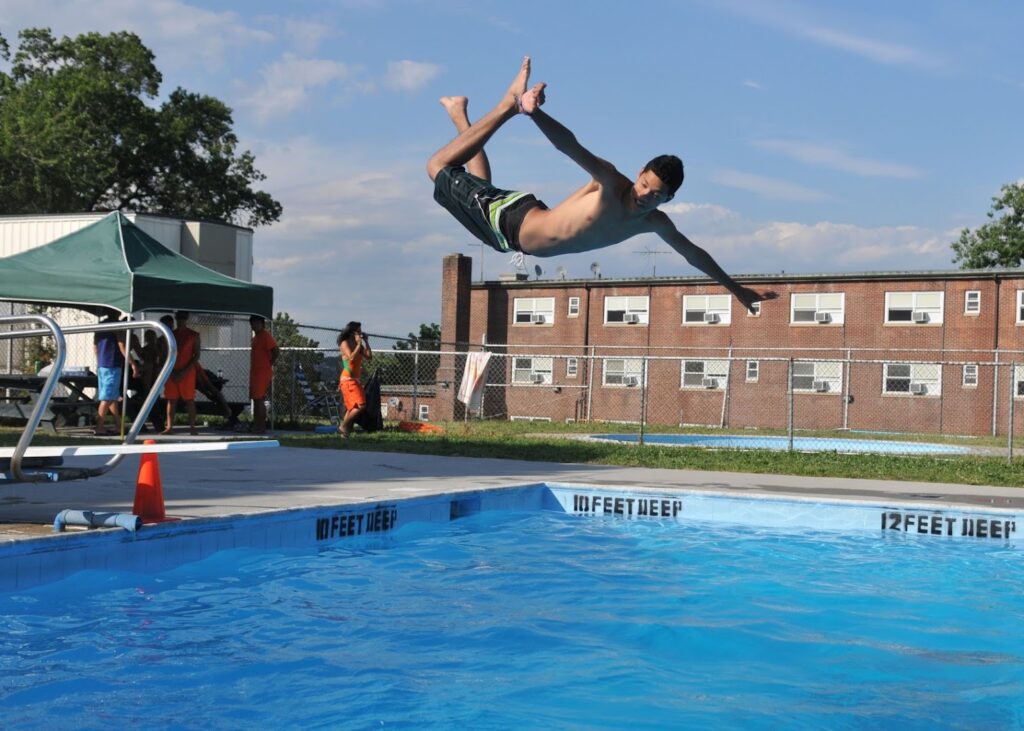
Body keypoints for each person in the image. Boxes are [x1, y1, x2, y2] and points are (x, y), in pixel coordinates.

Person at [427, 57, 772, 312]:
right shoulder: (611, 182)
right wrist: (534, 114)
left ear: (668, 199)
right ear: (638, 174)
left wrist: (736, 291)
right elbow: (569, 145)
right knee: (437, 166)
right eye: (643, 184)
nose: (644, 196)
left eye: (656, 195)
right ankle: (507, 106)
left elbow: (694, 254)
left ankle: (460, 114)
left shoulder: (654, 222)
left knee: (478, 184)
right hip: (512, 222)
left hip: (514, 233)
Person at [93, 309, 137, 436]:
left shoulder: (100, 326)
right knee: (107, 398)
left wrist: (100, 360)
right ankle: (99, 427)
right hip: (112, 363)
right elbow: (122, 346)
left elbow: (95, 346)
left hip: (102, 364)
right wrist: (133, 364)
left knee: (112, 396)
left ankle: (118, 425)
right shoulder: (117, 325)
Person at [163, 310, 200, 435]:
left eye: (183, 318)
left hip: (187, 373)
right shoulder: (170, 335)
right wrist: (171, 371)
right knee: (171, 400)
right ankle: (169, 427)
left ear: (187, 319)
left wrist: (184, 371)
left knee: (189, 400)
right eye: (179, 318)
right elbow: (165, 354)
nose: (181, 320)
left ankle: (192, 427)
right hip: (172, 371)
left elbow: (196, 355)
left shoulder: (194, 335)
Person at [337, 321, 372, 439]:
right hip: (347, 379)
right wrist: (358, 344)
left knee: (352, 408)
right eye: (358, 331)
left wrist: (366, 342)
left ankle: (344, 434)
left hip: (355, 379)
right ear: (352, 332)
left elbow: (369, 357)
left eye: (361, 331)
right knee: (360, 406)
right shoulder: (344, 343)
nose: (360, 333)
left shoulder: (359, 345)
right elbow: (351, 358)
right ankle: (343, 426)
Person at [249, 315, 279, 434]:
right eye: (252, 323)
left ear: (262, 324)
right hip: (255, 371)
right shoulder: (256, 337)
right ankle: (257, 425)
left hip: (262, 372)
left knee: (258, 399)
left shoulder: (265, 335)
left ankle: (261, 427)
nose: (253, 325)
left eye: (256, 323)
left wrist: (270, 363)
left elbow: (276, 350)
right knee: (256, 399)